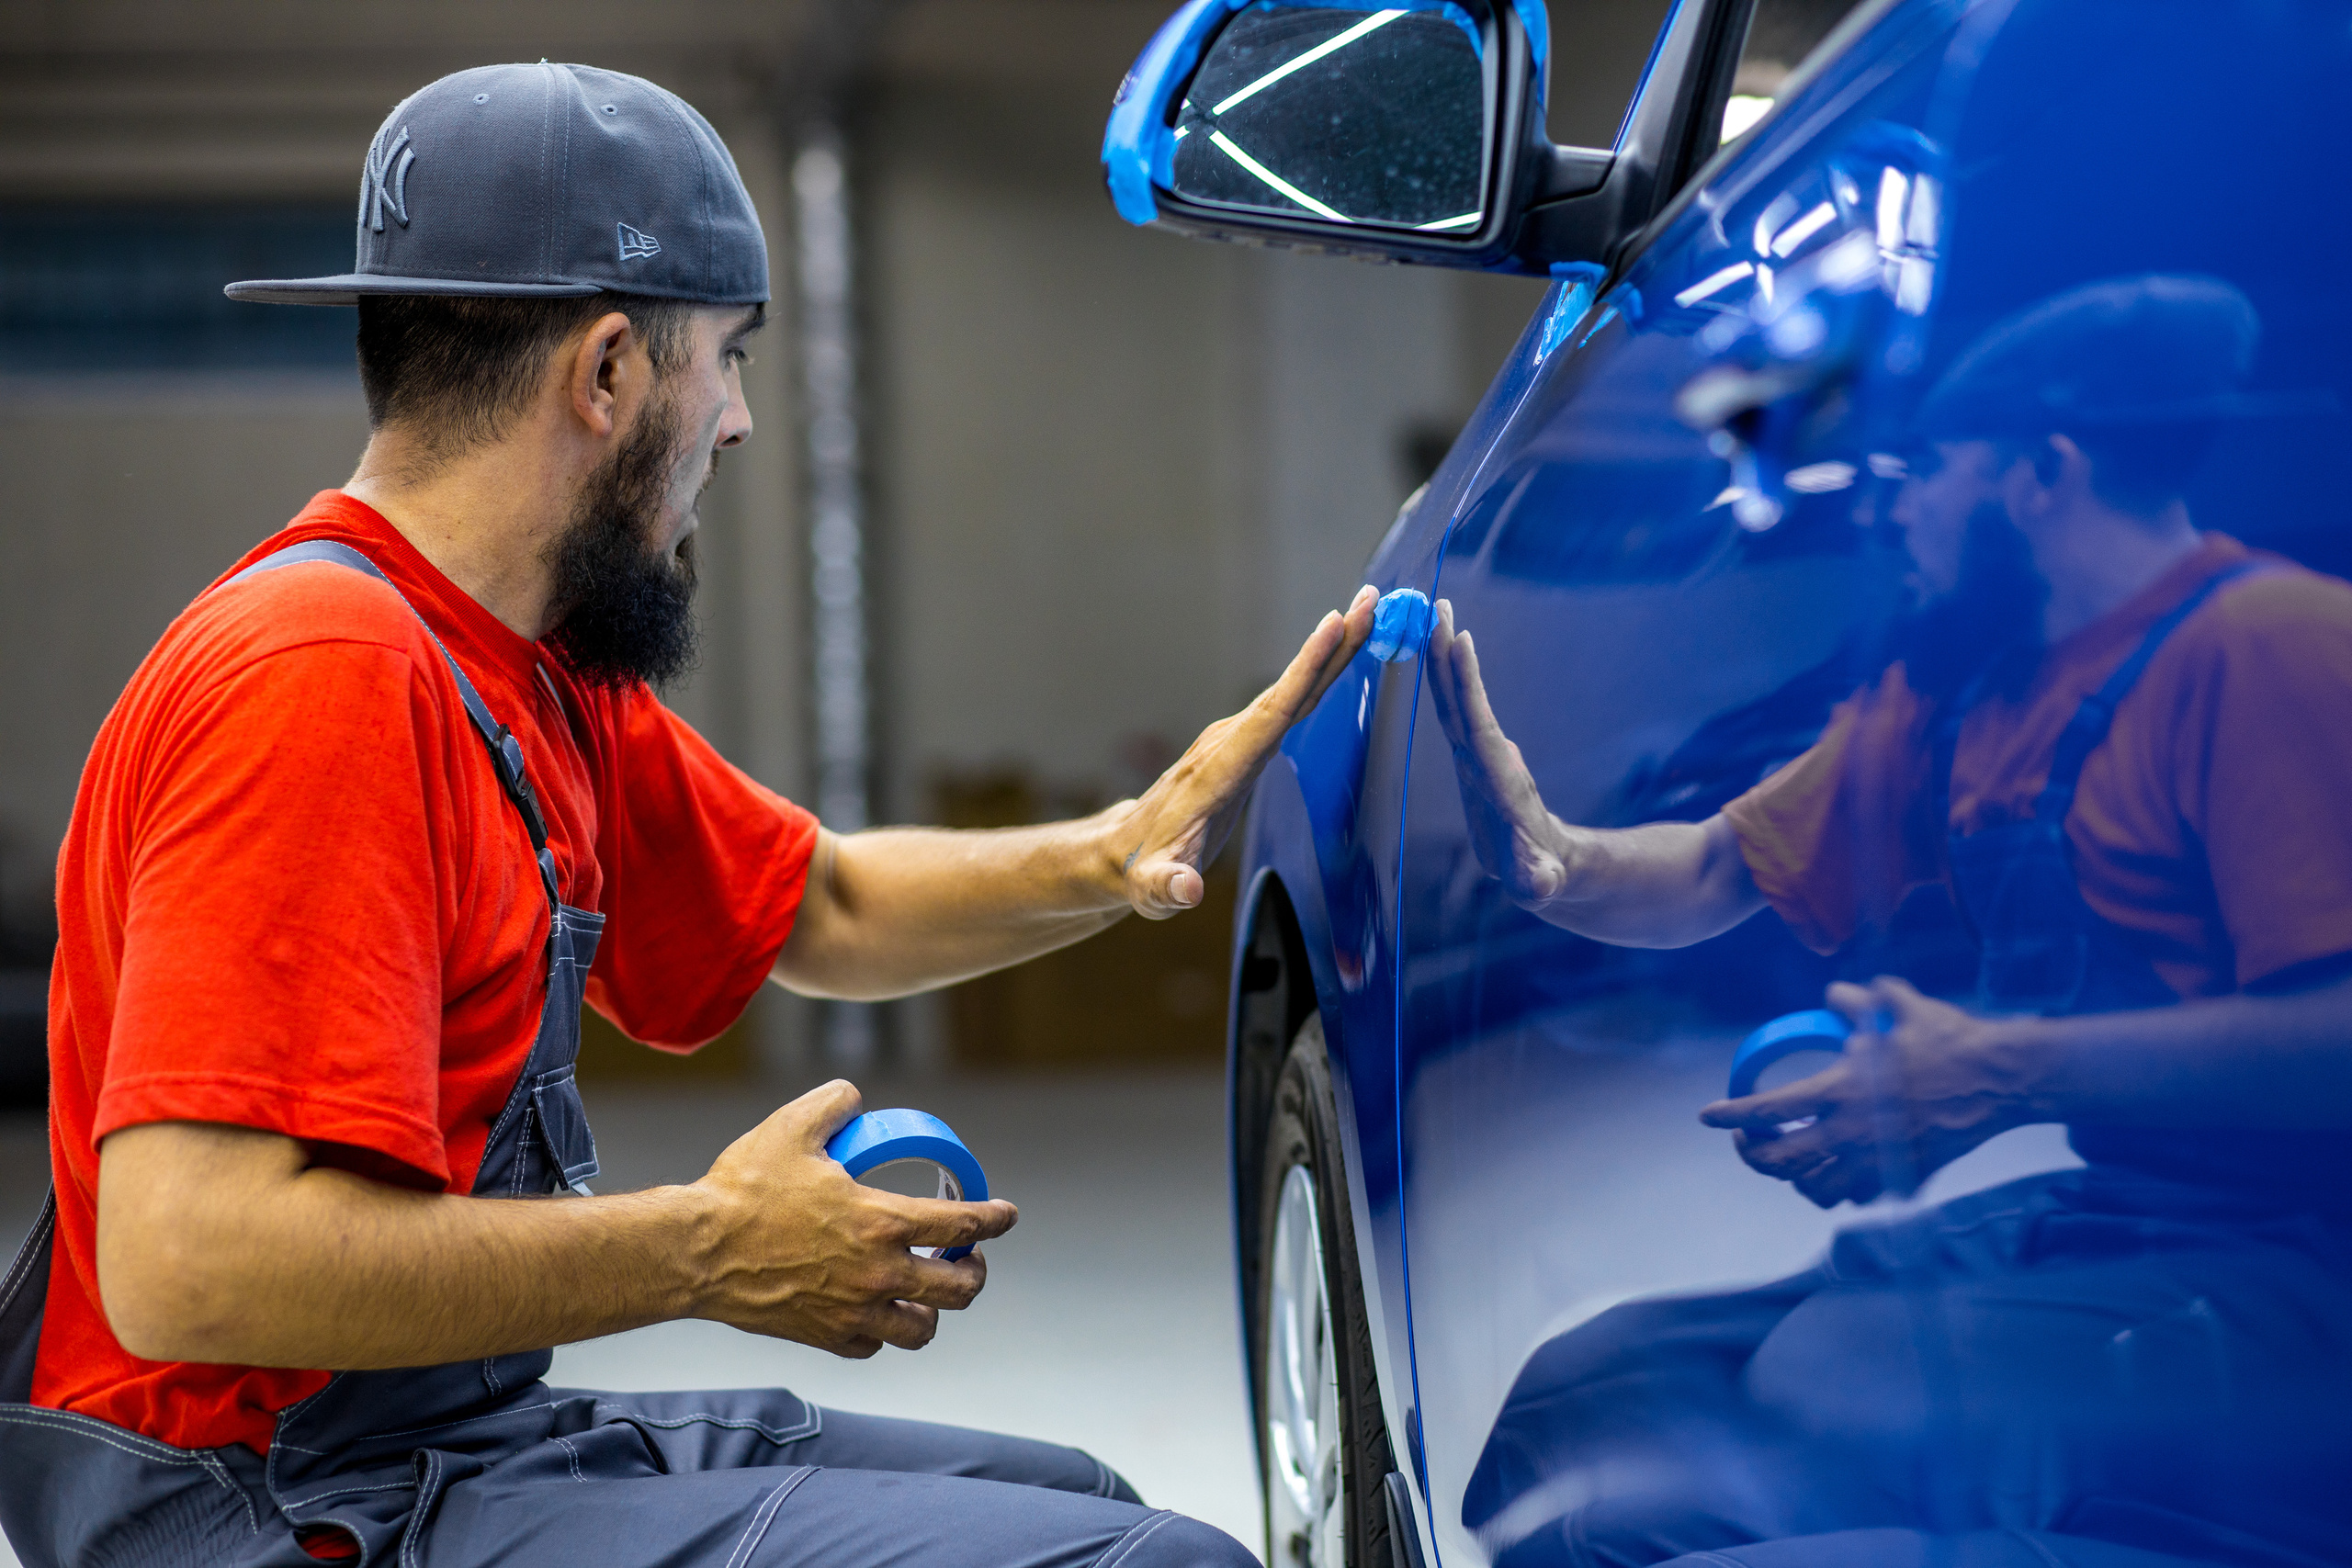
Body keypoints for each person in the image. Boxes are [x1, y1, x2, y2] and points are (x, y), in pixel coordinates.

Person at [0, 63, 1377, 1568]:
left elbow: (824, 906)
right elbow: (183, 1265)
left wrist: (1118, 849)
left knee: (1083, 1507)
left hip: (429, 1449)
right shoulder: (323, 680)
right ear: (605, 374)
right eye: (725, 359)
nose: (732, 422)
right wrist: (708, 1247)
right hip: (260, 1516)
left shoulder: (527, 665)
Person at [1431, 276, 2352, 1567]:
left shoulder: (2269, 650)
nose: (1894, 504)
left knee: (1841, 1373)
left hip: (2310, 1254)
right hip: (2137, 1211)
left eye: (1927, 469)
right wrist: (1551, 859)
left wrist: (2003, 1067)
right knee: (1590, 1391)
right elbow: (1705, 874)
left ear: (2045, 472)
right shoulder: (1966, 688)